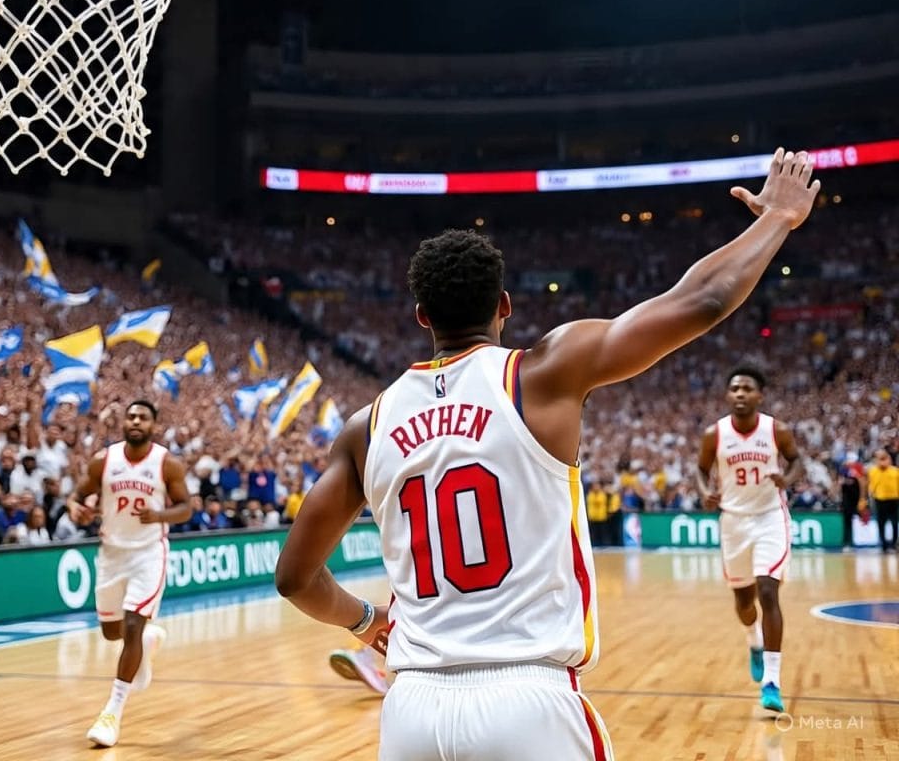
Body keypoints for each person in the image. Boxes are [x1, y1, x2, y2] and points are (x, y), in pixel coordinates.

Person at [275, 148, 819, 761]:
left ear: (422, 315)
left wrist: (366, 621)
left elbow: (295, 578)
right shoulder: (543, 373)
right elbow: (702, 300)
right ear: (505, 305)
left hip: (411, 713)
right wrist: (776, 219)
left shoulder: (364, 427)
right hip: (529, 699)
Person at [68, 400, 191, 748]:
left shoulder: (166, 462)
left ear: (154, 425)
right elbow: (76, 497)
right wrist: (77, 508)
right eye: (131, 416)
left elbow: (185, 508)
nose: (136, 421)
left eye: (143, 417)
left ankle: (112, 712)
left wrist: (160, 517)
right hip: (111, 555)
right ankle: (146, 644)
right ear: (123, 422)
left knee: (134, 625)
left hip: (149, 554)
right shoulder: (103, 461)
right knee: (112, 633)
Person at [696, 366, 803, 714]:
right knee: (744, 604)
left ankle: (772, 681)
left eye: (747, 389)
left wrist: (786, 478)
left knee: (768, 591)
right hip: (734, 523)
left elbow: (796, 460)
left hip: (771, 518)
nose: (740, 394)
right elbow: (701, 469)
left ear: (760, 395)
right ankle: (753, 639)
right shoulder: (715, 433)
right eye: (734, 389)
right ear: (728, 396)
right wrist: (705, 492)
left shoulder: (777, 430)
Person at [868, 448, 899, 552]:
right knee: (881, 523)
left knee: (894, 522)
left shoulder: (895, 471)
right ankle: (884, 545)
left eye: (884, 458)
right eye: (880, 458)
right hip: (880, 499)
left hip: (893, 499)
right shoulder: (873, 471)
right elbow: (871, 485)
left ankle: (894, 544)